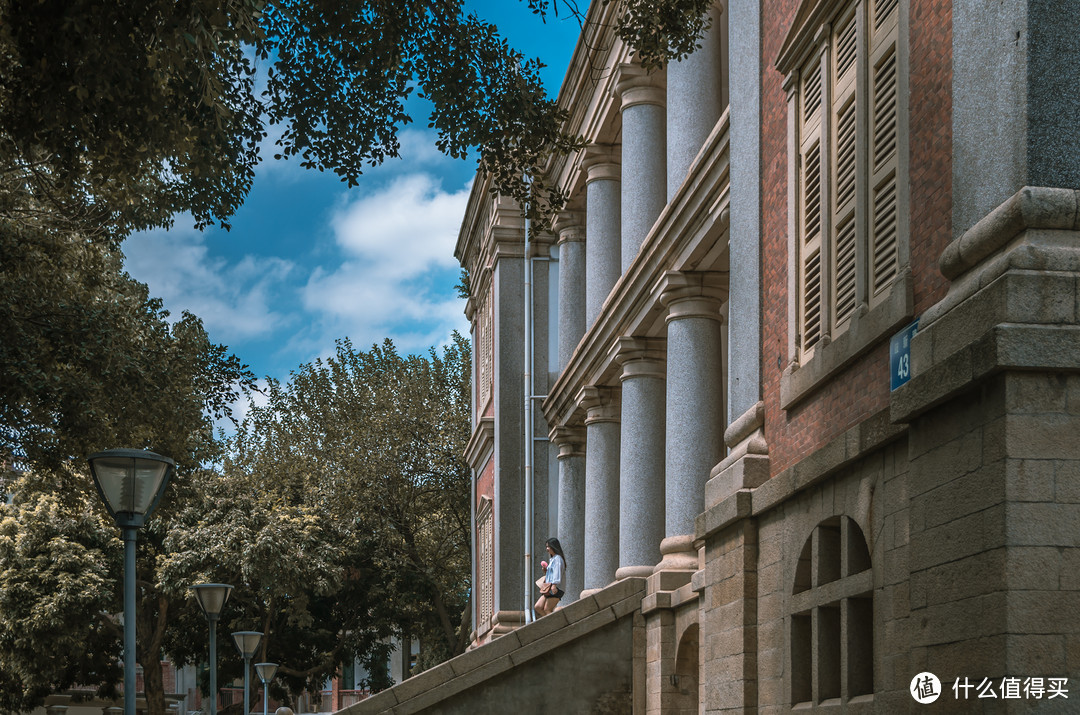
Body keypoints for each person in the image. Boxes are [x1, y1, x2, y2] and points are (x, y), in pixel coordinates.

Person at [534, 537, 566, 617]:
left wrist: (554, 585)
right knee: (538, 607)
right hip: (549, 588)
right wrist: (546, 570)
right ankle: (550, 622)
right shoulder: (553, 559)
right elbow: (552, 573)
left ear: (554, 547)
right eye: (546, 547)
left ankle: (555, 625)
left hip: (556, 588)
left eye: (548, 546)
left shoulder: (558, 559)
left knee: (547, 609)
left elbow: (557, 572)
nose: (547, 549)